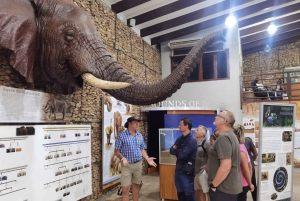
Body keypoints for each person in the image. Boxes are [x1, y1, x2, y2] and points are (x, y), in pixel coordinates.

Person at [114, 116, 157, 201]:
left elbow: (142, 149)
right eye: (135, 122)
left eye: (137, 122)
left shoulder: (139, 135)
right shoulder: (122, 136)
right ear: (129, 123)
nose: (137, 123)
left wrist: (147, 157)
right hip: (127, 165)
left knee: (136, 186)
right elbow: (116, 151)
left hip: (138, 164)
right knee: (125, 188)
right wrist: (123, 158)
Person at [208, 110, 242, 201]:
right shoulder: (231, 136)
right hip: (228, 188)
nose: (215, 117)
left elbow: (226, 166)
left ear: (224, 121)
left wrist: (213, 185)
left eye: (218, 116)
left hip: (222, 189)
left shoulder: (224, 138)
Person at [170, 117, 198, 201]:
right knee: (180, 194)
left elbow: (182, 155)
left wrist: (176, 150)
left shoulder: (192, 140)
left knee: (189, 195)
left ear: (186, 126)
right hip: (178, 171)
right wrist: (178, 150)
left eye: (180, 124)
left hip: (187, 173)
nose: (179, 126)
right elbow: (171, 150)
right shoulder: (180, 139)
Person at [233, 124, 254, 201]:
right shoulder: (241, 146)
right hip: (240, 183)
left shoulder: (240, 149)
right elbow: (250, 166)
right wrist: (249, 181)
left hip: (240, 184)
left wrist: (250, 183)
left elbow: (246, 169)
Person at [194, 125, 210, 201]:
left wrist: (206, 169)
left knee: (206, 192)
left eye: (197, 130)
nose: (195, 131)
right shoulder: (195, 143)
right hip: (195, 172)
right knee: (198, 191)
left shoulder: (207, 143)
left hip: (203, 172)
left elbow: (211, 157)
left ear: (203, 134)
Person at [244, 136, 258, 201]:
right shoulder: (234, 141)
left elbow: (255, 153)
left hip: (250, 168)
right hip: (241, 168)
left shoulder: (248, 141)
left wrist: (251, 161)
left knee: (253, 185)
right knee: (243, 188)